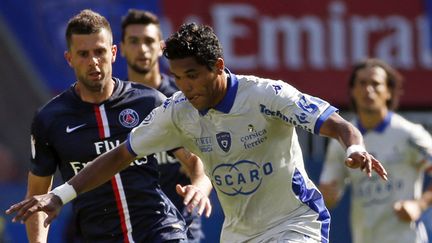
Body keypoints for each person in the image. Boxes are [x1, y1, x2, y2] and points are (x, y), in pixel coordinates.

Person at [7, 23, 388, 243]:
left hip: (295, 222)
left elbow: (336, 123)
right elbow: (121, 155)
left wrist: (354, 146)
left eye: (193, 75)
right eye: (178, 78)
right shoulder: (177, 113)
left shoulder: (267, 95)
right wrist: (61, 196)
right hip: (239, 233)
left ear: (218, 66)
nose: (186, 87)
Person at [15, 10, 211, 243]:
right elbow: (38, 196)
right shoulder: (50, 119)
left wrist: (198, 185)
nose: (93, 62)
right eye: (83, 54)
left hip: (160, 230)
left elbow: (195, 159)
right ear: (69, 58)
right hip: (98, 235)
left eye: (99, 52)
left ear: (114, 52)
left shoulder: (149, 101)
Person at [319, 58, 432, 243]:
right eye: (362, 83)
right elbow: (329, 195)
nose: (368, 89)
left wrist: (419, 205)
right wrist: (325, 195)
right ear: (353, 91)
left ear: (388, 92)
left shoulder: (408, 134)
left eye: (376, 84)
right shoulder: (343, 139)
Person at [119, 9, 204, 242]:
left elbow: (205, 159)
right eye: (134, 42)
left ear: (161, 46)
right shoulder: (113, 107)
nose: (142, 49)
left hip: (182, 227)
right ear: (122, 48)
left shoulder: (184, 99)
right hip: (129, 229)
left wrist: (199, 169)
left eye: (149, 41)